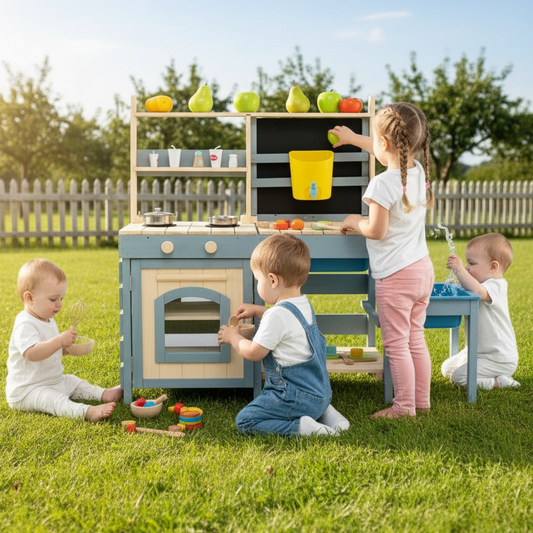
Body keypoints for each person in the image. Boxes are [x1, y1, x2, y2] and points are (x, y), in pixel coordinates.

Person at [329, 102, 435, 419]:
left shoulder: (382, 184)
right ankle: (422, 402)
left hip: (395, 276)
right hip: (422, 270)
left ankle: (403, 407)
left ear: (384, 143)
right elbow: (385, 147)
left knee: (397, 345)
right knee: (416, 339)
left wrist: (352, 221)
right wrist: (353, 137)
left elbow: (375, 231)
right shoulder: (417, 173)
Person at [217, 234, 349, 436]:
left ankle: (303, 427)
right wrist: (257, 310)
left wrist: (233, 337)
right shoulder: (303, 304)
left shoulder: (276, 317)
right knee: (315, 403)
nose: (257, 284)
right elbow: (284, 320)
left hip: (293, 397)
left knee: (245, 420)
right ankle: (328, 414)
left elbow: (254, 352)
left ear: (272, 280)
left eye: (258, 279)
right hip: (320, 394)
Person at [6, 258, 123, 421]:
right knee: (53, 399)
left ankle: (104, 393)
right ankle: (87, 412)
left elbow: (47, 350)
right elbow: (32, 353)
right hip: (28, 390)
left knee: (74, 382)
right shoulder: (25, 323)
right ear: (30, 298)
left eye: (62, 298)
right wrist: (59, 341)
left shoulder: (46, 318)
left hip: (53, 381)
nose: (59, 304)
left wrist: (63, 350)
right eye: (53, 299)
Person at [442, 233, 519, 389]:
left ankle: (499, 382)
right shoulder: (479, 284)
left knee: (459, 378)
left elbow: (477, 291)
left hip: (498, 357)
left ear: (493, 267)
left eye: (471, 263)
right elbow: (471, 289)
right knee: (447, 369)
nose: (466, 267)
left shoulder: (496, 285)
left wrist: (458, 270)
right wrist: (456, 286)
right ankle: (491, 376)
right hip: (478, 352)